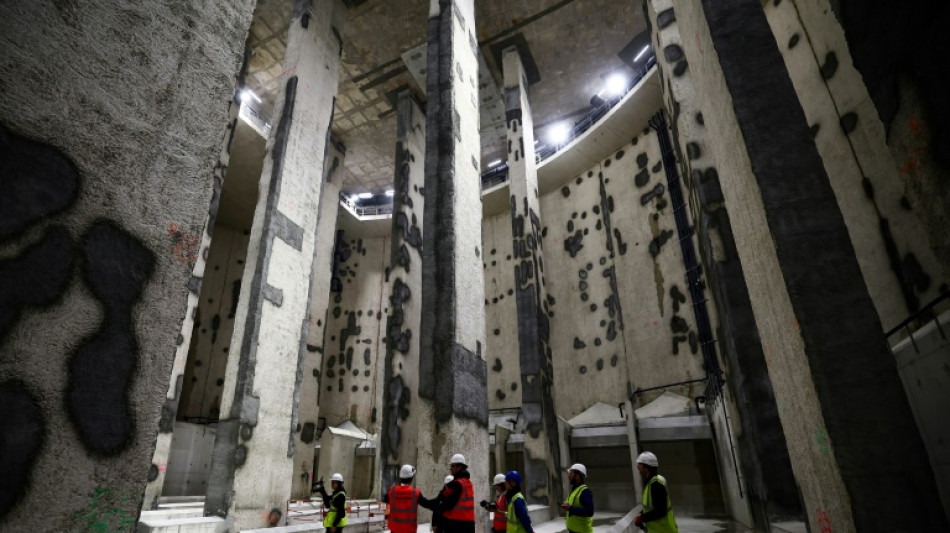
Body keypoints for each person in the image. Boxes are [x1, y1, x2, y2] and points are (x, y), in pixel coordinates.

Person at [634, 452, 677, 533]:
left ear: (646, 468)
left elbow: (660, 511)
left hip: (663, 530)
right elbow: (653, 505)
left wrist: (642, 518)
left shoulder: (655, 484)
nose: (637, 467)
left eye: (639, 464)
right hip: (659, 529)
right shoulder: (653, 481)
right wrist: (643, 513)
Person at [434, 454, 476, 533]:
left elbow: (447, 504)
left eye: (453, 466)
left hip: (456, 524)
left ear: (459, 467)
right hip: (469, 524)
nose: (451, 468)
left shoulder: (456, 484)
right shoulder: (468, 483)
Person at [385, 464, 422, 533]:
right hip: (410, 530)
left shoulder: (391, 491)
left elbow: (386, 501)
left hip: (394, 530)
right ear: (411, 478)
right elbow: (427, 504)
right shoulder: (416, 493)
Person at [560, 463, 594, 533]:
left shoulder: (585, 492)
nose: (568, 476)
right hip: (573, 530)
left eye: (571, 473)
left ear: (578, 476)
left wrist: (570, 508)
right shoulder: (575, 490)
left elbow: (589, 511)